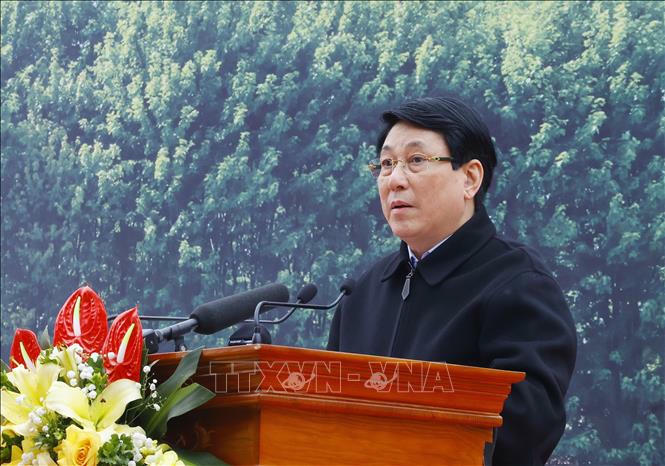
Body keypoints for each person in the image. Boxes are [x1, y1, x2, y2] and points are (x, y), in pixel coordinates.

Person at [327, 96, 577, 465]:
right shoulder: (360, 294)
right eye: (386, 164)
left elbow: (526, 426)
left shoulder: (519, 283)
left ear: (470, 178)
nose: (395, 180)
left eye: (416, 161)